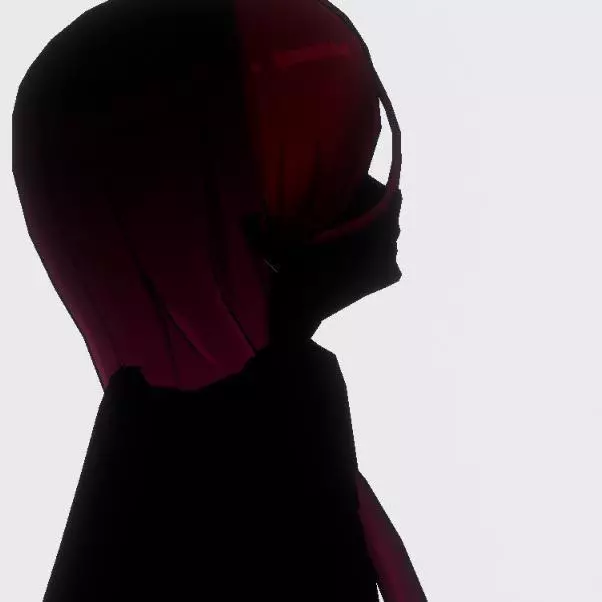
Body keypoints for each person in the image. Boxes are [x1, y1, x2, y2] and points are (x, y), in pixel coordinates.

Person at [12, 0, 428, 599]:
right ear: (245, 230)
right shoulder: (268, 431)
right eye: (321, 178)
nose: (383, 195)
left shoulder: (152, 432)